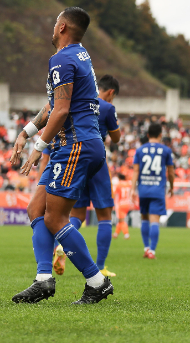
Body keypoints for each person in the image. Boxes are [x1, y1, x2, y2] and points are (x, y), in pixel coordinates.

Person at [10, 7, 113, 304]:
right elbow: (54, 105)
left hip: (75, 146)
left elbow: (62, 109)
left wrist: (37, 148)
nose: (53, 27)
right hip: (80, 144)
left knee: (55, 218)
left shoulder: (62, 59)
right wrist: (25, 132)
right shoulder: (80, 55)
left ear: (63, 26)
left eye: (55, 22)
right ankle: (43, 279)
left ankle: (97, 282)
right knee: (36, 210)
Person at [52, 75, 122, 277]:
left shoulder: (80, 103)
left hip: (77, 161)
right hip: (97, 160)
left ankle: (61, 245)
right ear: (111, 92)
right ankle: (100, 266)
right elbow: (116, 138)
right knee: (104, 216)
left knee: (77, 215)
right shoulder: (107, 107)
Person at [131, 123, 174, 259]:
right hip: (158, 189)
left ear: (148, 135)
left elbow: (135, 171)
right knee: (154, 219)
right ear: (161, 135)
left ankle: (146, 248)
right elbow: (171, 172)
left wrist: (133, 189)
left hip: (143, 189)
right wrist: (172, 186)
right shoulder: (166, 150)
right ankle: (152, 251)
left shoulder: (140, 150)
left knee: (144, 218)